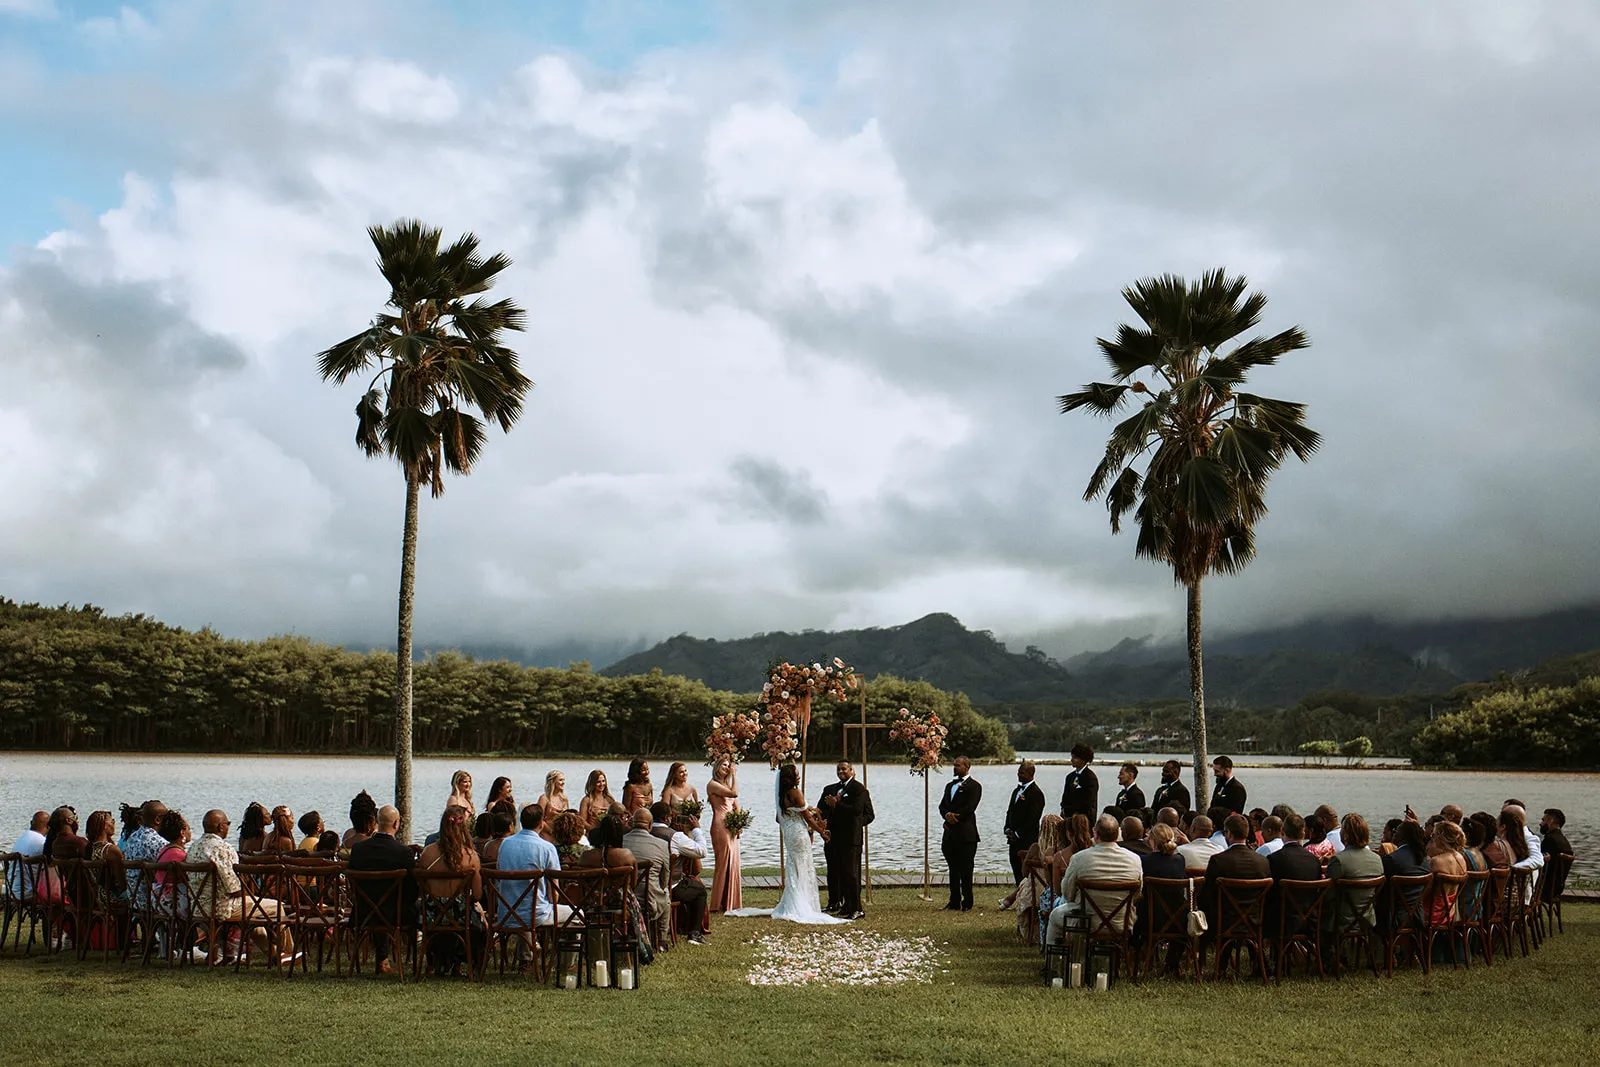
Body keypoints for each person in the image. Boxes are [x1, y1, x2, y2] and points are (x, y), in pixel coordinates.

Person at [727, 764, 848, 925]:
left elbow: (779, 818)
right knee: (803, 865)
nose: (798, 777)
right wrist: (821, 832)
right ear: (790, 778)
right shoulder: (795, 792)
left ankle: (794, 899)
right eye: (796, 775)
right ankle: (802, 903)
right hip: (799, 832)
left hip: (789, 833)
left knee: (794, 865)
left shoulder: (782, 794)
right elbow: (808, 818)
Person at [186, 810, 293, 964]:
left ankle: (273, 954)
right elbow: (234, 888)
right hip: (221, 907)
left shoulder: (193, 847)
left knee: (253, 911)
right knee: (276, 906)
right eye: (228, 824)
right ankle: (287, 952)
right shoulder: (223, 848)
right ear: (221, 827)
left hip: (198, 907)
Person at [1045, 813, 1143, 948]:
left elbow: (1067, 894)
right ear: (1117, 834)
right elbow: (1137, 894)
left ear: (1095, 835)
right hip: (1122, 922)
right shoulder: (1134, 860)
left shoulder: (1080, 858)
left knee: (1055, 915)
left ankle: (1055, 962)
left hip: (1087, 922)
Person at [346, 805, 417, 976]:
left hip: (363, 912)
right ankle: (420, 964)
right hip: (396, 914)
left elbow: (352, 885)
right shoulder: (404, 852)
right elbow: (412, 890)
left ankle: (382, 960)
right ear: (396, 824)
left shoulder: (358, 850)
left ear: (377, 822)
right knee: (415, 909)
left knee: (379, 902)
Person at [494, 803, 566, 968]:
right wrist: (551, 902)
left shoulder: (505, 845)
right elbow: (555, 892)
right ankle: (567, 964)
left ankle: (525, 960)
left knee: (525, 902)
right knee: (578, 915)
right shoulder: (547, 848)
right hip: (534, 914)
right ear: (541, 824)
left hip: (505, 912)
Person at [416, 807, 484, 977]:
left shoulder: (427, 853)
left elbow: (422, 890)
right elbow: (477, 894)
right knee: (478, 923)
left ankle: (436, 961)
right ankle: (461, 963)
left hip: (431, 915)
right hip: (460, 916)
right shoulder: (470, 856)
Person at [820, 760, 873, 919]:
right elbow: (823, 810)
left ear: (852, 770)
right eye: (838, 769)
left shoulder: (859, 789)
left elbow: (859, 811)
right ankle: (843, 905)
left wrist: (855, 823)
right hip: (833, 837)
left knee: (851, 874)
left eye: (844, 769)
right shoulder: (831, 789)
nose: (841, 772)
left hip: (851, 839)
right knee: (838, 873)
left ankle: (857, 908)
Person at [1201, 814, 1270, 937]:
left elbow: (1206, 894)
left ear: (1228, 833)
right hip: (1255, 921)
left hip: (1223, 922)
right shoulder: (1262, 862)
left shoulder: (1218, 860)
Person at [622, 808, 673, 943]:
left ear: (632, 823)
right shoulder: (662, 845)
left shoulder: (621, 842)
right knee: (666, 894)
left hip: (624, 898)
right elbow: (665, 879)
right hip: (649, 900)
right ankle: (661, 939)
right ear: (650, 825)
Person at [939, 756, 982, 911]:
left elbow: (970, 807)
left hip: (966, 834)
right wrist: (946, 815)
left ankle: (968, 901)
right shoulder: (950, 785)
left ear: (967, 766)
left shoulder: (974, 786)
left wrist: (955, 817)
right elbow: (942, 805)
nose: (955, 767)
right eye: (954, 765)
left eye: (958, 765)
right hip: (950, 834)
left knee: (966, 869)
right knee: (953, 868)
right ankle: (954, 900)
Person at [1266, 812, 1321, 935]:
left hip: (1280, 922)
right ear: (1303, 834)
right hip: (1310, 922)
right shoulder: (1314, 861)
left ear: (1282, 831)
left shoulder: (1274, 859)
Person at [1014, 814, 1064, 939]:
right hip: (1055, 891)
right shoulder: (1063, 852)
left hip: (1034, 893)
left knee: (1023, 885)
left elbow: (1024, 873)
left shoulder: (1035, 848)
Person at [1001, 760, 1046, 895]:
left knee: (1026, 870)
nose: (1018, 774)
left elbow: (1033, 818)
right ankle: (1020, 896)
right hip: (1013, 838)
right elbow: (1010, 811)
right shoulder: (1016, 791)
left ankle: (1028, 898)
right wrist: (1007, 828)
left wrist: (1018, 833)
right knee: (1015, 867)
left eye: (1022, 772)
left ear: (1030, 774)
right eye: (1018, 772)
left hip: (1027, 839)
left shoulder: (1036, 793)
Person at [706, 758, 742, 913]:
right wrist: (734, 775)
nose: (727, 768)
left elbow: (735, 804)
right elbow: (734, 794)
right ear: (717, 767)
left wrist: (739, 823)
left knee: (733, 861)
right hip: (720, 824)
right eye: (724, 765)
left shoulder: (726, 784)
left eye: (729, 766)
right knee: (723, 861)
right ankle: (718, 903)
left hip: (731, 825)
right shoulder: (713, 785)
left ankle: (731, 902)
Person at [118, 800, 167, 904]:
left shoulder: (132, 838)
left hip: (134, 902)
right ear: (157, 819)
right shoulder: (158, 843)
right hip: (152, 904)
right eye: (166, 818)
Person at [1426, 820, 1468, 925]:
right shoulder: (1461, 859)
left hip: (1432, 915)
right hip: (1450, 914)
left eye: (1433, 835)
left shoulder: (1436, 861)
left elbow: (1425, 892)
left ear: (1441, 838)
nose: (1432, 839)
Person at [7, 810, 48, 898]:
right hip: (30, 893)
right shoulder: (42, 843)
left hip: (12, 891)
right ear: (49, 827)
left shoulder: (22, 838)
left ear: (31, 823)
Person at [673, 855, 710, 945]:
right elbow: (697, 867)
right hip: (667, 890)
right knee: (699, 889)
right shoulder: (677, 841)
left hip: (642, 890)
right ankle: (695, 933)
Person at [1059, 743, 1098, 821]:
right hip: (1068, 818)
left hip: (1084, 820)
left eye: (1075, 758)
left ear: (1083, 760)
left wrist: (1073, 811)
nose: (1072, 760)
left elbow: (1088, 802)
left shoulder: (1090, 778)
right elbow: (1065, 798)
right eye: (1072, 757)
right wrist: (1063, 809)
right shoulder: (1070, 777)